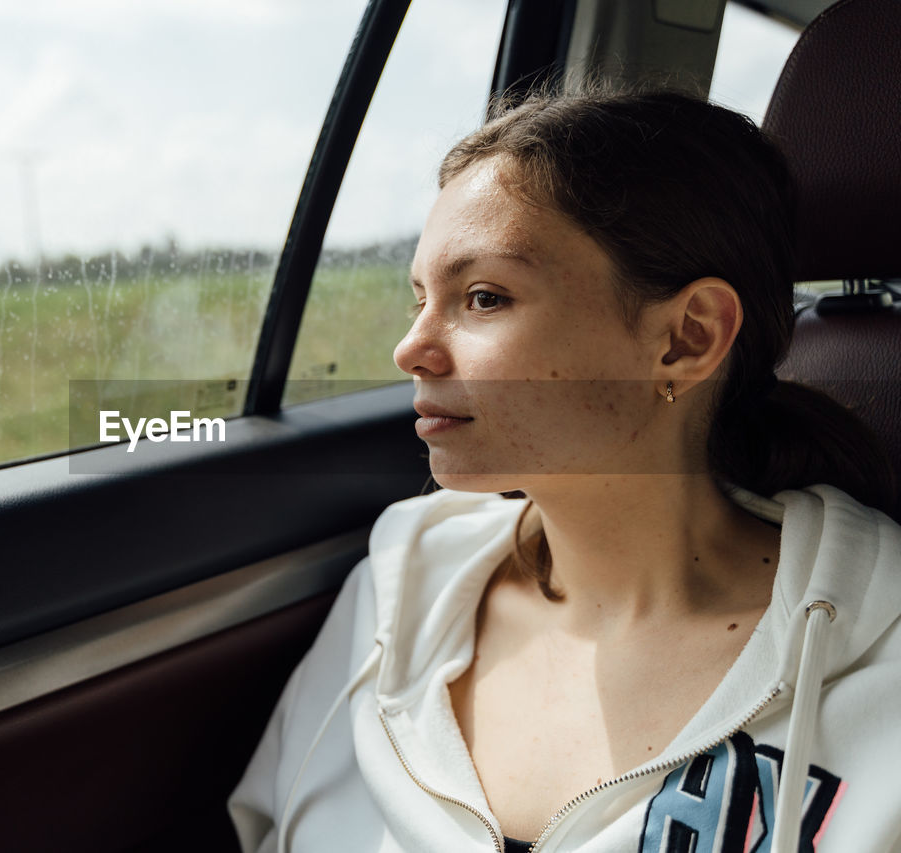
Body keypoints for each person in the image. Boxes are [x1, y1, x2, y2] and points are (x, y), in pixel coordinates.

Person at [228, 88, 901, 853]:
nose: (411, 348)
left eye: (483, 297)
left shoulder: (883, 670)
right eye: (420, 297)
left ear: (686, 337)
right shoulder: (395, 594)